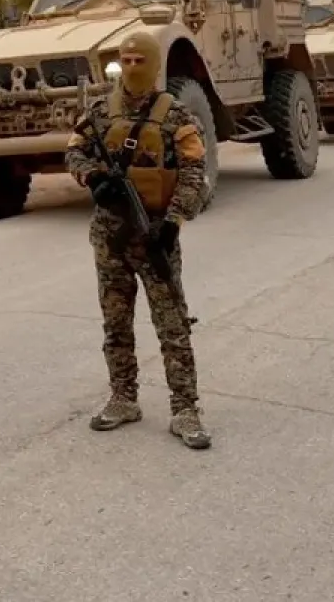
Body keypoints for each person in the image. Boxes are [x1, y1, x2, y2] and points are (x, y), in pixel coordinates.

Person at [64, 30, 211, 449]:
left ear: (154, 64)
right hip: (110, 236)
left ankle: (185, 409)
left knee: (172, 324)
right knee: (116, 322)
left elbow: (193, 172)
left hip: (155, 233)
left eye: (139, 61)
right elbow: (74, 151)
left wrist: (174, 221)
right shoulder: (99, 111)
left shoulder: (176, 115)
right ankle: (123, 398)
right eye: (125, 61)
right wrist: (92, 178)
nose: (131, 68)